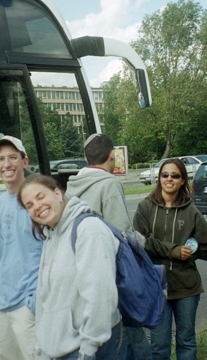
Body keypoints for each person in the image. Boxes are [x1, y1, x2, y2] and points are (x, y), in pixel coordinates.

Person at [18, 174, 127, 359]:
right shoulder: (50, 236)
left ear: (58, 194)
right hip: (58, 349)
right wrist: (41, 346)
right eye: (29, 205)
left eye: (40, 196)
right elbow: (45, 298)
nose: (37, 206)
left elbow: (100, 295)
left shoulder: (88, 229)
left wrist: (88, 349)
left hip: (90, 349)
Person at [66, 133, 150, 359]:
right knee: (134, 342)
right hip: (109, 276)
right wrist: (141, 240)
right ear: (113, 156)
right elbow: (121, 234)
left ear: (86, 159)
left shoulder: (72, 185)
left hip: (81, 274)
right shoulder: (109, 183)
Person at [133, 158, 207, 360]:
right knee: (159, 346)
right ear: (159, 178)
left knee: (186, 342)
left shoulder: (191, 211)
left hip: (187, 287)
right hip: (155, 288)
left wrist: (191, 251)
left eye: (175, 175)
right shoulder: (145, 207)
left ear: (182, 181)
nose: (169, 179)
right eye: (165, 175)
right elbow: (139, 241)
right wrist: (173, 251)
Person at [0, 134, 43, 360]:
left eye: (13, 157)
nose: (7, 164)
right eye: (0, 159)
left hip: (28, 305)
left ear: (25, 161)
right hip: (0, 303)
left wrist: (35, 300)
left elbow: (53, 251)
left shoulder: (38, 200)